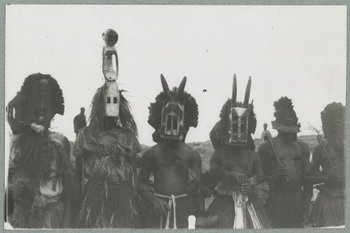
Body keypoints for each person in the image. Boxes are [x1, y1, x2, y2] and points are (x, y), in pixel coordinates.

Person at [73, 29, 141, 228]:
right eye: (108, 101)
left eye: (115, 101)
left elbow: (134, 169)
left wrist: (134, 197)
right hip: (94, 196)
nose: (111, 105)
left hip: (122, 196)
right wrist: (78, 195)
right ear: (99, 104)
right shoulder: (86, 136)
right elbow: (77, 169)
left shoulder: (127, 137)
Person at [199, 76, 270, 229]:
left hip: (250, 207)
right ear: (226, 124)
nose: (239, 129)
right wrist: (229, 176)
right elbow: (212, 178)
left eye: (243, 124)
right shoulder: (218, 154)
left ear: (249, 125)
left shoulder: (253, 155)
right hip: (223, 207)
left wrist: (252, 187)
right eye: (234, 124)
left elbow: (261, 178)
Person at [6, 73, 72, 228]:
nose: (42, 106)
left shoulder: (60, 144)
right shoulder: (15, 143)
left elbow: (68, 189)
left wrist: (67, 224)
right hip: (23, 218)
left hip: (53, 217)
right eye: (37, 97)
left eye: (46, 100)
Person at [138, 74, 203, 229]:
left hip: (184, 210)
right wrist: (153, 200)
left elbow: (198, 185)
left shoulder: (191, 154)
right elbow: (140, 182)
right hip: (158, 211)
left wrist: (194, 186)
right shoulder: (152, 154)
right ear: (161, 118)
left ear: (184, 120)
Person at [258, 97, 312, 228]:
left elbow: (308, 182)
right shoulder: (266, 148)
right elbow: (259, 179)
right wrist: (275, 177)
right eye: (289, 130)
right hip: (276, 201)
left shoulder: (302, 148)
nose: (293, 134)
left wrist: (305, 212)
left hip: (297, 201)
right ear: (279, 128)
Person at [308, 102, 345, 227]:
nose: (337, 129)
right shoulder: (320, 149)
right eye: (334, 126)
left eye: (340, 123)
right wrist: (327, 176)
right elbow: (309, 176)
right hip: (328, 201)